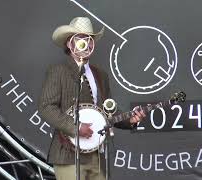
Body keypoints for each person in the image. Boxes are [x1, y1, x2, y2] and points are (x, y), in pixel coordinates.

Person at [38, 17, 146, 180]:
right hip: (68, 154)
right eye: (81, 39)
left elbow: (108, 110)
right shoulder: (58, 71)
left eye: (90, 39)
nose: (86, 43)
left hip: (98, 154)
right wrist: (75, 127)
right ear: (70, 44)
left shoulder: (101, 75)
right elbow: (46, 107)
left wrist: (130, 120)